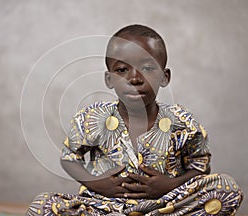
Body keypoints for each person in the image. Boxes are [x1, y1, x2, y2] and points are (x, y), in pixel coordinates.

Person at [26, 24, 243, 215]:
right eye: (122, 70)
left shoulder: (182, 122)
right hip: (104, 207)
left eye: (148, 68)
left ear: (164, 77)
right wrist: (100, 185)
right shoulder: (92, 117)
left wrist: (168, 185)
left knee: (226, 188)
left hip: (164, 206)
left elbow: (200, 165)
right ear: (109, 79)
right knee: (43, 205)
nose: (135, 78)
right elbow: (69, 159)